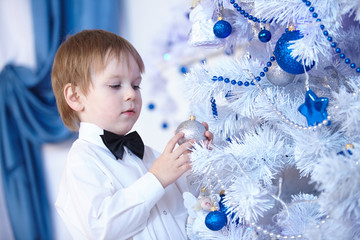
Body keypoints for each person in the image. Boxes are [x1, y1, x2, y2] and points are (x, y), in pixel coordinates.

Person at [51, 29, 213, 240]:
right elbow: (100, 230)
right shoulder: (81, 162)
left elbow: (192, 208)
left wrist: (199, 161)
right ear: (75, 97)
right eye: (115, 85)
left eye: (136, 85)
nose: (131, 94)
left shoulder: (151, 156)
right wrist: (156, 180)